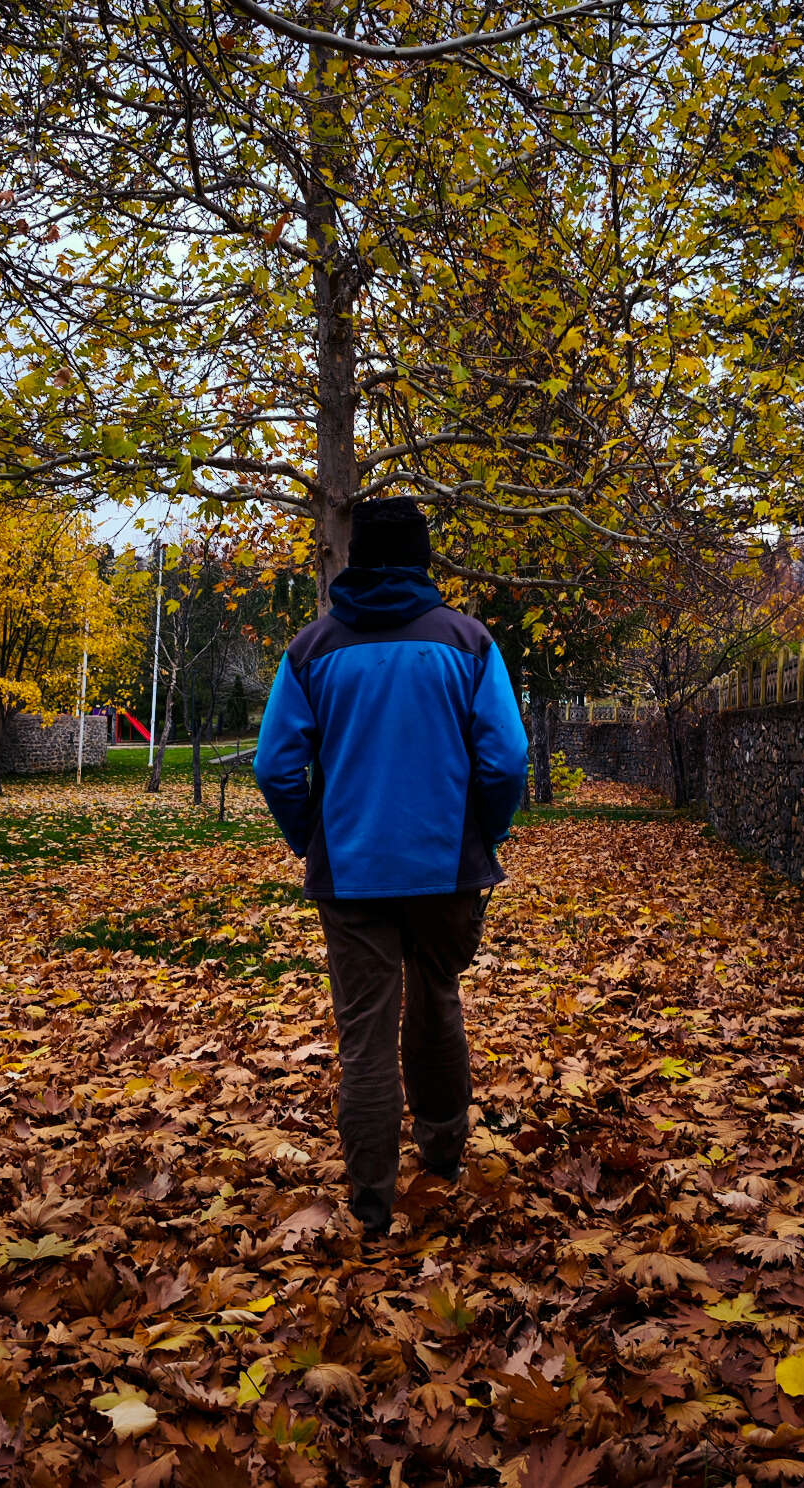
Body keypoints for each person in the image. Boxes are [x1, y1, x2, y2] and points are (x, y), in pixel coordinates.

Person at [253, 498, 530, 1236]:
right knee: (436, 1002)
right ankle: (441, 1158)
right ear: (424, 558)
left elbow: (275, 767)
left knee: (366, 1035)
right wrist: (487, 832)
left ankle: (371, 1199)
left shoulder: (312, 650)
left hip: (352, 873)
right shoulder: (467, 643)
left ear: (354, 559)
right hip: (448, 869)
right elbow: (505, 759)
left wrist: (312, 837)